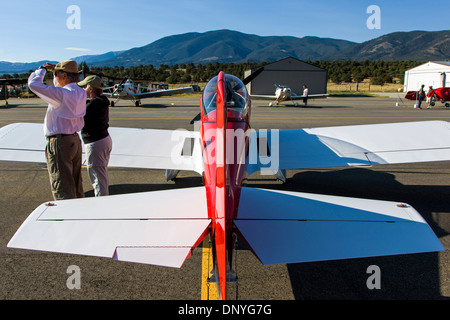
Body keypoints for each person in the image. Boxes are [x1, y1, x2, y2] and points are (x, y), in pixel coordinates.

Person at [28, 60, 86, 200]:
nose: (56, 77)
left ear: (65, 76)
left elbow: (33, 84)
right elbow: (58, 86)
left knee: (62, 186)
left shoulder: (62, 94)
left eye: (58, 74)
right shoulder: (80, 92)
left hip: (61, 143)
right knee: (76, 182)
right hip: (74, 140)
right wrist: (56, 72)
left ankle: (66, 216)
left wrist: (42, 69)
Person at [78, 75, 112, 196]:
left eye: (85, 87)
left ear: (91, 89)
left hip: (95, 143)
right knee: (101, 174)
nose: (83, 90)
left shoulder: (93, 105)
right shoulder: (101, 101)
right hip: (104, 140)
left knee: (98, 178)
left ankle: (102, 207)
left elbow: (79, 120)